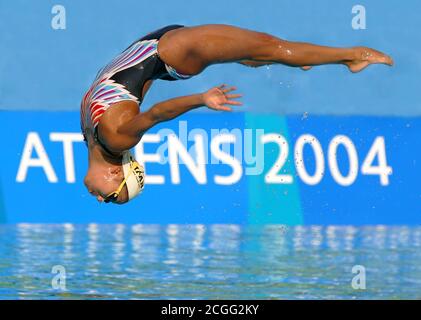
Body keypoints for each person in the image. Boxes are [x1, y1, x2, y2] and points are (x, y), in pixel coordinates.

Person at [81, 24, 393, 204]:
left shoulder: (101, 139)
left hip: (164, 51)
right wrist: (201, 98)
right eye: (109, 198)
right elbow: (157, 114)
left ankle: (278, 59)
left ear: (115, 173)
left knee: (263, 50)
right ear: (114, 173)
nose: (99, 199)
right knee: (273, 47)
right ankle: (353, 56)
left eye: (110, 199)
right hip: (172, 53)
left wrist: (199, 95)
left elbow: (153, 110)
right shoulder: (115, 140)